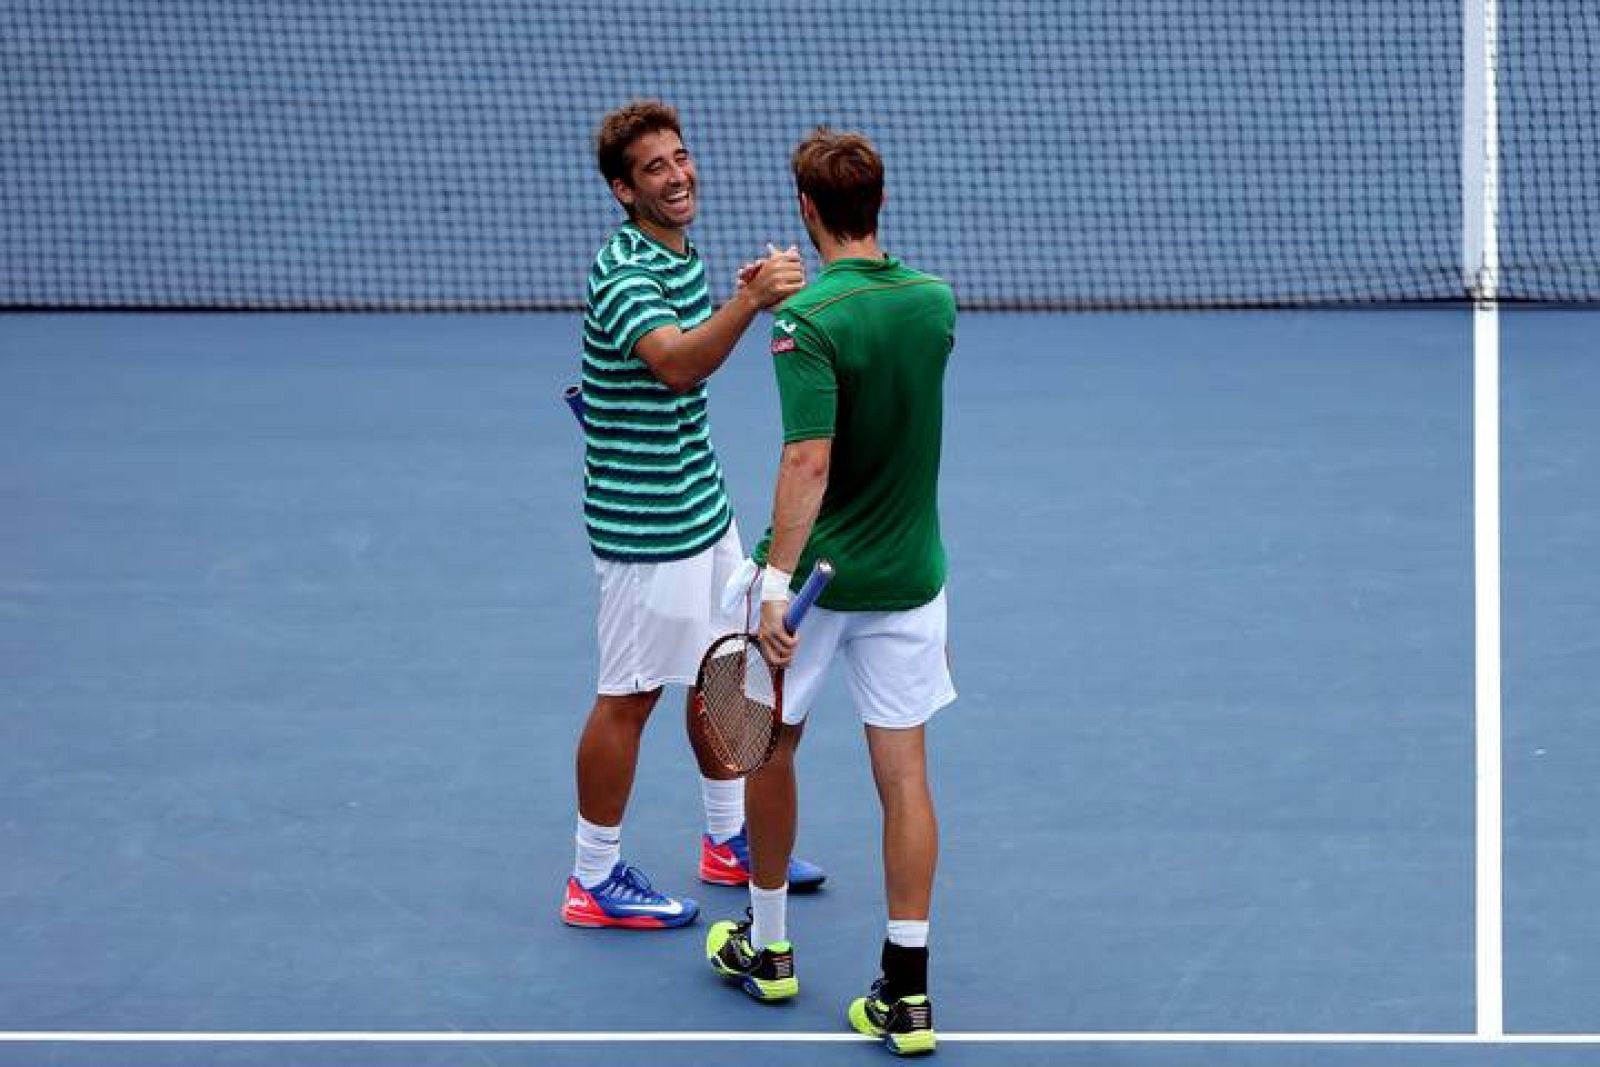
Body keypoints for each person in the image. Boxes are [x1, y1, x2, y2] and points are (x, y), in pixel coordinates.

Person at [704, 128, 955, 1056]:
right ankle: (909, 993)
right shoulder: (935, 304)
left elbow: (809, 460)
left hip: (812, 586)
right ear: (877, 204)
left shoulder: (806, 322)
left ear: (806, 210)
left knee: (768, 749)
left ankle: (768, 948)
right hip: (912, 579)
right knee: (906, 775)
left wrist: (773, 587)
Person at [561, 100, 826, 931]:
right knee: (627, 697)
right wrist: (748, 306)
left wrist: (737, 295)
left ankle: (724, 839)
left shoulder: (679, 252)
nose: (678, 176)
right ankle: (592, 877)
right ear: (622, 190)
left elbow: (686, 349)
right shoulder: (626, 270)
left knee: (725, 671)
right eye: (655, 169)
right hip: (647, 529)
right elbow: (676, 365)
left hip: (700, 508)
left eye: (680, 157)